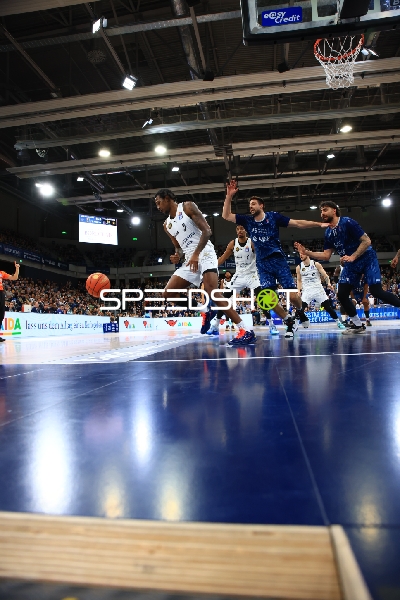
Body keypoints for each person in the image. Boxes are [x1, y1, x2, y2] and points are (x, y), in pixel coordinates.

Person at [222, 180, 326, 338]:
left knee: (293, 296)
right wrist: (229, 195)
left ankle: (300, 311)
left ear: (261, 205)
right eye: (249, 205)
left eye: (253, 204)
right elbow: (226, 215)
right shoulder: (247, 221)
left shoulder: (273, 217)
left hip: (278, 261)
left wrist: (318, 224)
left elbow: (297, 223)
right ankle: (289, 322)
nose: (251, 207)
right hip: (263, 265)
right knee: (268, 299)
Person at [154, 189, 256, 345]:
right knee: (168, 294)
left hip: (205, 253)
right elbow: (178, 248)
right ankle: (204, 310)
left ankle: (245, 330)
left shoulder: (187, 207)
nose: (158, 207)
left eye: (159, 202)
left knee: (212, 292)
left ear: (167, 198)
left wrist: (196, 254)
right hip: (190, 259)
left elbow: (207, 231)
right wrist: (177, 256)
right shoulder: (166, 225)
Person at [295, 201, 400, 334]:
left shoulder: (348, 222)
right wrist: (307, 252)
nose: (322, 213)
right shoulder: (328, 233)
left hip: (367, 259)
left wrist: (353, 256)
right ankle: (357, 324)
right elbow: (326, 256)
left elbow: (367, 241)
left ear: (334, 210)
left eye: (325, 210)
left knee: (376, 291)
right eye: (321, 211)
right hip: (351, 263)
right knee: (342, 294)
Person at [296, 252, 345, 330]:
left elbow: (325, 276)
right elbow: (299, 280)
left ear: (307, 254)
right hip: (307, 291)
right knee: (300, 309)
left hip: (318, 290)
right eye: (300, 254)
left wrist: (328, 283)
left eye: (302, 254)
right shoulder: (299, 267)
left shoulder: (316, 264)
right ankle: (293, 326)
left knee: (328, 308)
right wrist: (298, 290)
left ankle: (338, 322)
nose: (300, 255)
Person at [0, 262, 20, 342]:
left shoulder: (1, 273)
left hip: (1, 293)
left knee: (1, 315)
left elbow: (14, 277)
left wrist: (17, 268)